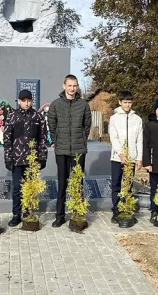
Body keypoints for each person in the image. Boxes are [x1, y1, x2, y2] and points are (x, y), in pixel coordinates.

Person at [47, 74, 92, 228]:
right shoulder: (56, 105)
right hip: (62, 150)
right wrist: (57, 139)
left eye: (75, 86)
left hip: (79, 150)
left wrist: (81, 139)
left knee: (78, 183)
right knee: (62, 183)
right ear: (64, 86)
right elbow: (51, 125)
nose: (72, 88)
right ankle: (60, 216)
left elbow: (87, 126)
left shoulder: (83, 105)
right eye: (70, 85)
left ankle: (77, 213)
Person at [3, 89, 48, 227]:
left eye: (29, 100)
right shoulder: (12, 117)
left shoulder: (38, 117)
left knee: (31, 187)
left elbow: (42, 138)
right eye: (24, 101)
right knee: (17, 187)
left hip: (32, 160)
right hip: (17, 159)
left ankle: (28, 212)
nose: (26, 103)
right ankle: (16, 214)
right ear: (19, 101)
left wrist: (42, 157)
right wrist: (8, 158)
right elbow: (7, 139)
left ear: (32, 101)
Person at [108, 91, 143, 224]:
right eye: (125, 102)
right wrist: (121, 154)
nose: (127, 105)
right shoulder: (114, 118)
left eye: (129, 102)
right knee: (116, 184)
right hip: (117, 158)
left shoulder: (137, 119)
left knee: (128, 185)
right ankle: (116, 210)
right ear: (120, 102)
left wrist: (139, 158)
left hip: (132, 157)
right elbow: (114, 137)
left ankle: (127, 208)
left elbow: (139, 139)